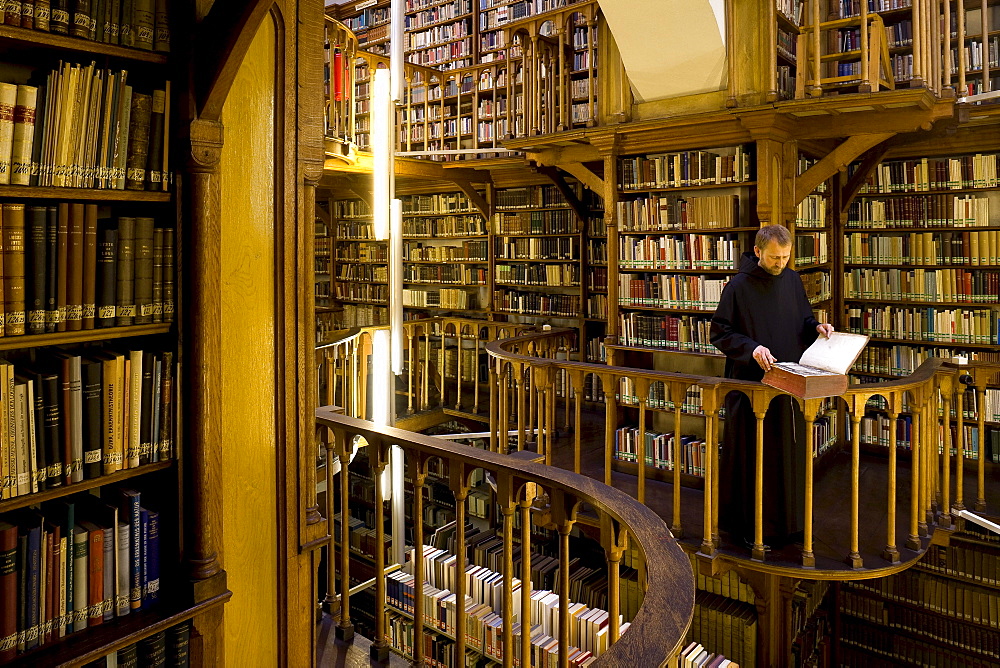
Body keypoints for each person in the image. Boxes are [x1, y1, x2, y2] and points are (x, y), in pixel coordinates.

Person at [709, 225, 835, 549]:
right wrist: (751, 348)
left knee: (787, 459)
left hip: (789, 387)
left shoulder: (792, 280)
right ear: (757, 253)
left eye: (785, 257)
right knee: (754, 461)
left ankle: (789, 525)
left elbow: (802, 322)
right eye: (774, 258)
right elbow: (720, 332)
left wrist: (817, 327)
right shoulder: (737, 287)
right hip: (753, 389)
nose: (780, 264)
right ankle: (748, 529)